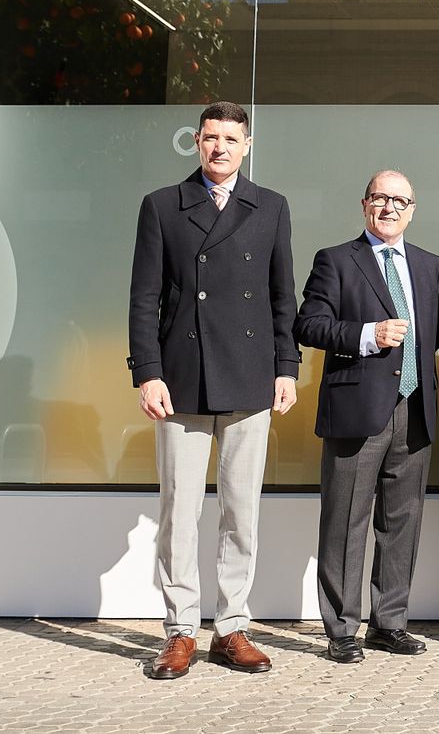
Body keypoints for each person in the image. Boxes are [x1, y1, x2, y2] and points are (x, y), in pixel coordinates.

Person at [127, 100, 299, 680]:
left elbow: (282, 297)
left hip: (249, 374)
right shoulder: (161, 206)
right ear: (196, 143)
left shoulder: (270, 206)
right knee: (178, 508)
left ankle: (231, 628)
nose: (220, 147)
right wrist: (147, 371)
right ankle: (180, 630)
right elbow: (143, 299)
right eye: (210, 137)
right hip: (181, 376)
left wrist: (287, 366)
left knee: (240, 508)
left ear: (245, 145)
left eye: (230, 138)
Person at [294, 170, 439, 664]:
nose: (390, 208)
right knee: (345, 522)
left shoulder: (428, 265)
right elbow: (308, 325)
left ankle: (390, 623)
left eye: (401, 200)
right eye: (381, 198)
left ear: (413, 209)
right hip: (357, 409)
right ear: (364, 205)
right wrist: (367, 335)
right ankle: (341, 629)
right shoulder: (336, 260)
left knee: (402, 522)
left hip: (415, 407)